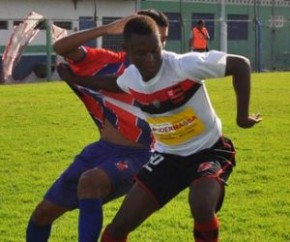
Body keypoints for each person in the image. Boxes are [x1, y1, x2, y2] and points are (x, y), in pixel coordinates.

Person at [58, 15, 262, 242]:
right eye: (141, 53)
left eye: (155, 49)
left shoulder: (184, 66)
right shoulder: (131, 78)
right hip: (167, 158)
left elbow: (240, 65)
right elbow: (112, 83)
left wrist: (242, 118)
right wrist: (75, 78)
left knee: (201, 204)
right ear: (127, 51)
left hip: (209, 150)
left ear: (161, 43)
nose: (151, 58)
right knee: (117, 228)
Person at [26, 10, 169, 242]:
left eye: (162, 40)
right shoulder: (108, 61)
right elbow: (61, 48)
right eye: (152, 37)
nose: (157, 47)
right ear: (130, 36)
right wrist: (106, 29)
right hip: (100, 150)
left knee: (90, 182)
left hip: (139, 155)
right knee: (42, 215)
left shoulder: (167, 71)